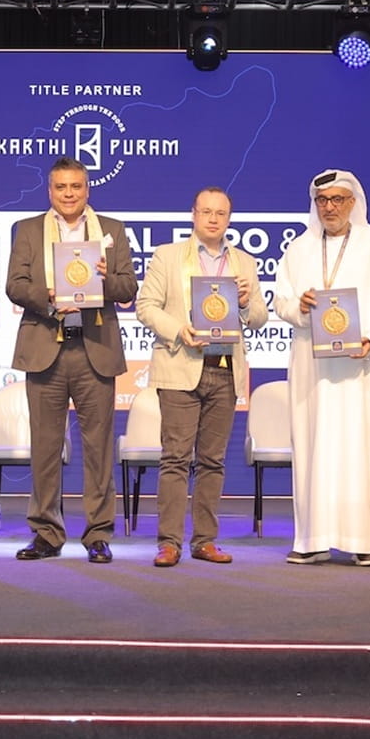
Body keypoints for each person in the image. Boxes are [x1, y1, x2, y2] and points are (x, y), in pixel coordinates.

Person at [5, 157, 139, 563]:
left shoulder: (112, 230)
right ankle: (46, 533)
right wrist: (49, 296)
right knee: (45, 449)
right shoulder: (29, 230)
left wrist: (104, 278)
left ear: (87, 189)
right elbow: (14, 285)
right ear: (50, 191)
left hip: (94, 349)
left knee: (98, 450)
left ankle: (98, 534)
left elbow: (128, 287)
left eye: (76, 186)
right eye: (61, 187)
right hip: (46, 347)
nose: (68, 194)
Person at [271, 169, 370, 567]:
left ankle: (363, 541)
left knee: (359, 449)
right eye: (322, 200)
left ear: (352, 203)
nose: (329, 207)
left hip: (360, 365)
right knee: (312, 448)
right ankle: (311, 539)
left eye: (337, 199)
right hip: (312, 368)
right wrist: (300, 307)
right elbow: (281, 301)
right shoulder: (298, 248)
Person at [135, 186, 268, 567]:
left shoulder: (244, 262)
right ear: (193, 215)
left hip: (224, 369)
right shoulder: (168, 256)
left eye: (220, 213)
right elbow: (146, 306)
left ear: (229, 219)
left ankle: (205, 541)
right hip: (180, 366)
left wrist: (245, 302)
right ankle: (169, 543)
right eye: (206, 212)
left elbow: (259, 318)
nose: (213, 219)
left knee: (213, 461)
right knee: (175, 459)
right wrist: (179, 330)